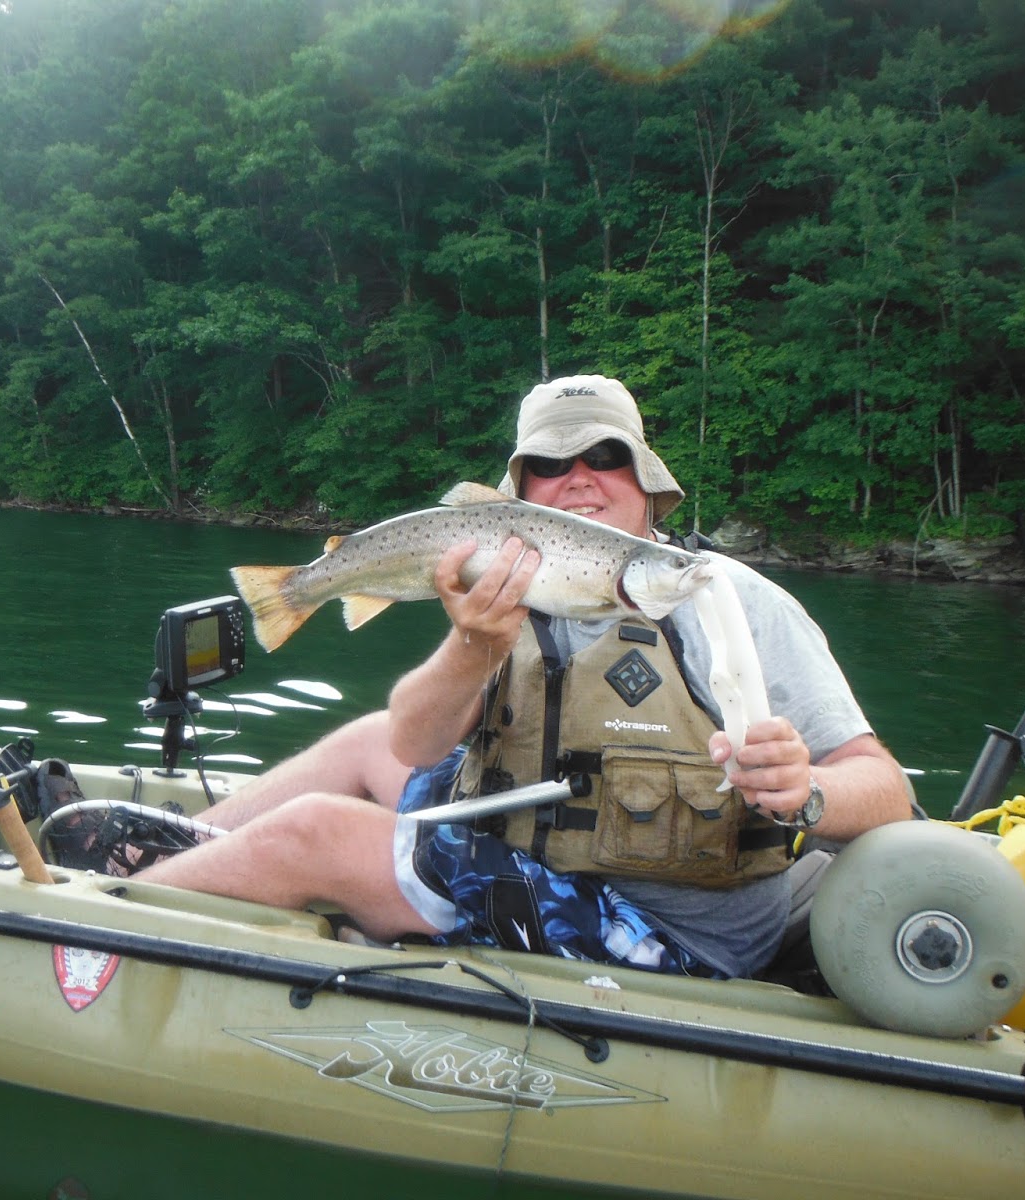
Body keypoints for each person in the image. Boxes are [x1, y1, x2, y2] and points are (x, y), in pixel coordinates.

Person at [134, 374, 914, 979]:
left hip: (668, 933)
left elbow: (886, 791)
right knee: (369, 739)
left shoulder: (732, 599)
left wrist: (804, 788)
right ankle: (155, 851)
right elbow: (414, 741)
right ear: (522, 492)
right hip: (534, 857)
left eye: (606, 457)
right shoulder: (510, 587)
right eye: (550, 463)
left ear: (646, 478)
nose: (580, 477)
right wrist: (471, 645)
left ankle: (107, 912)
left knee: (316, 832)